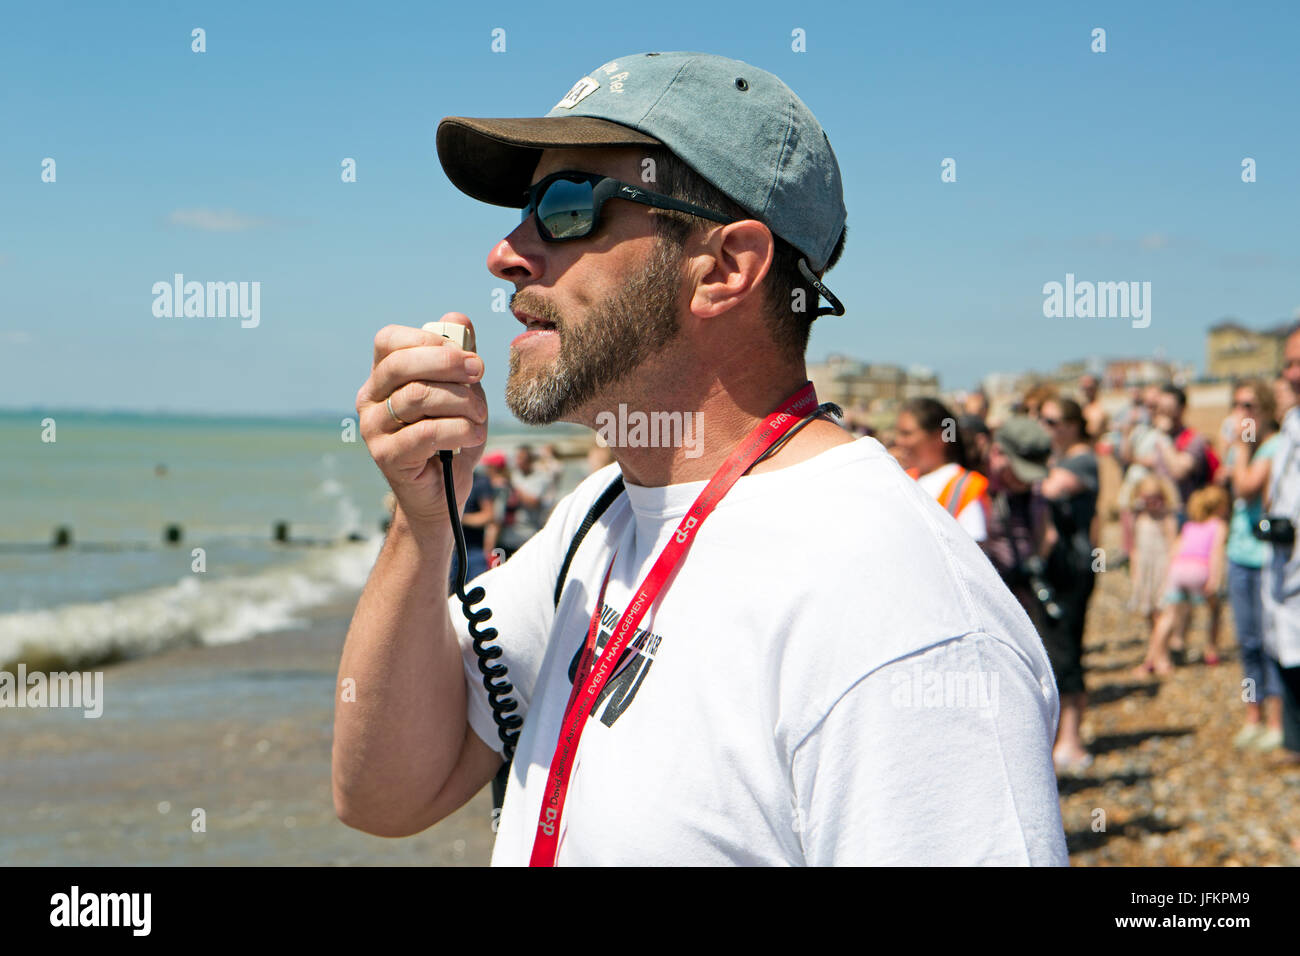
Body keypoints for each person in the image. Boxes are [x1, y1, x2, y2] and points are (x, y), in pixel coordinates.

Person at [334, 51, 1067, 865]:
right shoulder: (601, 516)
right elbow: (382, 793)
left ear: (724, 268)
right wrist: (421, 521)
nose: (505, 253)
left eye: (566, 206)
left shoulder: (898, 609)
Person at [1221, 380, 1285, 750]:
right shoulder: (1245, 448)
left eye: (1249, 406)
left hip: (1265, 559)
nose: (1242, 413)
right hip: (1239, 554)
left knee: (1269, 641)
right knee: (1246, 641)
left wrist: (1241, 448)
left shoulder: (1275, 447)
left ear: (1264, 411)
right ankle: (1252, 714)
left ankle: (1277, 719)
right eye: (1236, 405)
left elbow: (1244, 486)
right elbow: (1225, 482)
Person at [1038, 397, 1098, 774]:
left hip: (1074, 567)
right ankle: (1063, 735)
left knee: (1068, 652)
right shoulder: (1059, 460)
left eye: (1053, 421)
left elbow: (1049, 490)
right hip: (1058, 567)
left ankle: (1072, 741)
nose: (1046, 427)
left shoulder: (1083, 460)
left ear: (1074, 424)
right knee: (1055, 651)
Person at [1133, 486, 1230, 677]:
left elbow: (1175, 551)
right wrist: (1214, 579)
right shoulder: (1218, 525)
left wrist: (1167, 577)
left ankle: (1150, 660)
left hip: (1178, 570)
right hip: (1199, 570)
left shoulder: (1189, 526)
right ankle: (1211, 650)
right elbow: (1216, 552)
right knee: (1215, 610)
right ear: (1219, 507)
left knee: (1167, 617)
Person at [1261, 325, 1300, 766]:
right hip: (1285, 565)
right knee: (1287, 658)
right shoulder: (1292, 424)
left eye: (1298, 363)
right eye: (1286, 364)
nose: (1291, 374)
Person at [980, 417, 1057, 626]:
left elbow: (1048, 532)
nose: (1025, 481)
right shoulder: (977, 487)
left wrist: (1036, 561)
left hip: (1022, 598)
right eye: (1019, 471)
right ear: (997, 453)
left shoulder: (1034, 490)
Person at [896, 397, 990, 542]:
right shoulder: (903, 477)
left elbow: (974, 553)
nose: (899, 441)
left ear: (939, 437)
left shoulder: (967, 486)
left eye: (907, 433)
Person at [1128, 474, 1178, 630]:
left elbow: (1173, 545)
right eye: (1147, 499)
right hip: (1145, 568)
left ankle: (1159, 648)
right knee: (1148, 610)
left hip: (1162, 567)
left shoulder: (1167, 518)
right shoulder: (1140, 518)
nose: (1152, 503)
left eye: (1156, 499)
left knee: (1161, 609)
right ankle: (1155, 645)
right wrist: (1134, 571)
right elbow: (1135, 548)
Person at [448, 464, 497, 592]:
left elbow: (488, 515)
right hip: (449, 552)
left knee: (476, 592)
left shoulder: (480, 482)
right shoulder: (444, 479)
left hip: (473, 552)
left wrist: (457, 518)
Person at [1078, 374, 1109, 446]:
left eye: (1090, 388)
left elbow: (1091, 434)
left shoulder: (1097, 410)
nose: (1086, 391)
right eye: (1083, 388)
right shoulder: (1083, 407)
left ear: (1096, 388)